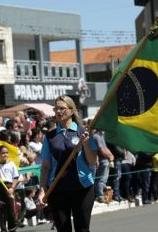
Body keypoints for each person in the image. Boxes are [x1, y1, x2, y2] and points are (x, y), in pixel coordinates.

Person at [38, 95, 98, 232]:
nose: (58, 112)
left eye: (62, 108)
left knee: (82, 229)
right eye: (56, 108)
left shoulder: (84, 133)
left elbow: (93, 162)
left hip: (83, 188)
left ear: (71, 111)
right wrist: (42, 190)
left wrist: (86, 144)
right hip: (57, 190)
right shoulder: (50, 137)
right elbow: (46, 166)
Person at [0, 145, 20, 232]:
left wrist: (12, 187)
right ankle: (3, 229)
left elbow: (15, 177)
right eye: (2, 153)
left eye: (6, 152)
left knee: (11, 209)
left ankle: (12, 228)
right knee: (1, 210)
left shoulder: (11, 164)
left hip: (9, 187)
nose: (5, 154)